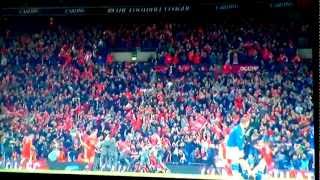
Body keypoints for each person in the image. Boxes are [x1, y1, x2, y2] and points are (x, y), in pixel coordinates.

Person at [225, 114, 252, 178]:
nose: (248, 124)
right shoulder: (239, 130)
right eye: (248, 123)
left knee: (239, 160)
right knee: (240, 160)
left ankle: (249, 173)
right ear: (245, 123)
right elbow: (239, 142)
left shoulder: (239, 128)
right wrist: (241, 149)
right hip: (233, 148)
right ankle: (249, 173)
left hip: (232, 147)